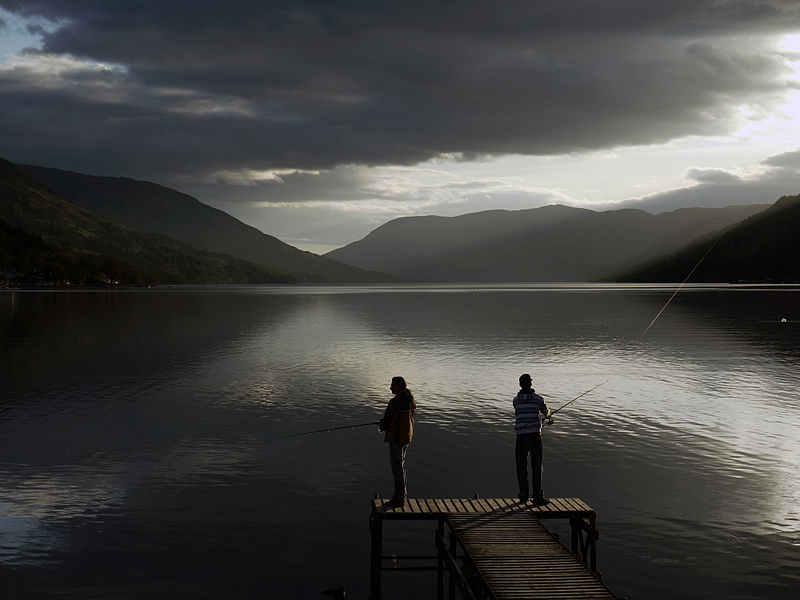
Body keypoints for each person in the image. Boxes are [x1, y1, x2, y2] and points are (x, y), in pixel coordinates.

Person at [513, 373, 552, 505]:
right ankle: (537, 497)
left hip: (520, 436)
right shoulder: (537, 399)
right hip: (534, 436)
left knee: (521, 467)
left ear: (520, 384)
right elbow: (546, 412)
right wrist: (548, 417)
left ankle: (523, 496)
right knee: (536, 466)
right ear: (531, 384)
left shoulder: (516, 400)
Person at [378, 376, 416, 508]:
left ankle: (399, 499)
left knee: (397, 468)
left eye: (392, 385)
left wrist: (381, 425)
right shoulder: (410, 399)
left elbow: (389, 421)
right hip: (405, 438)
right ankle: (401, 496)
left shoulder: (396, 402)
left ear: (399, 386)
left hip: (396, 438)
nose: (390, 388)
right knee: (401, 467)